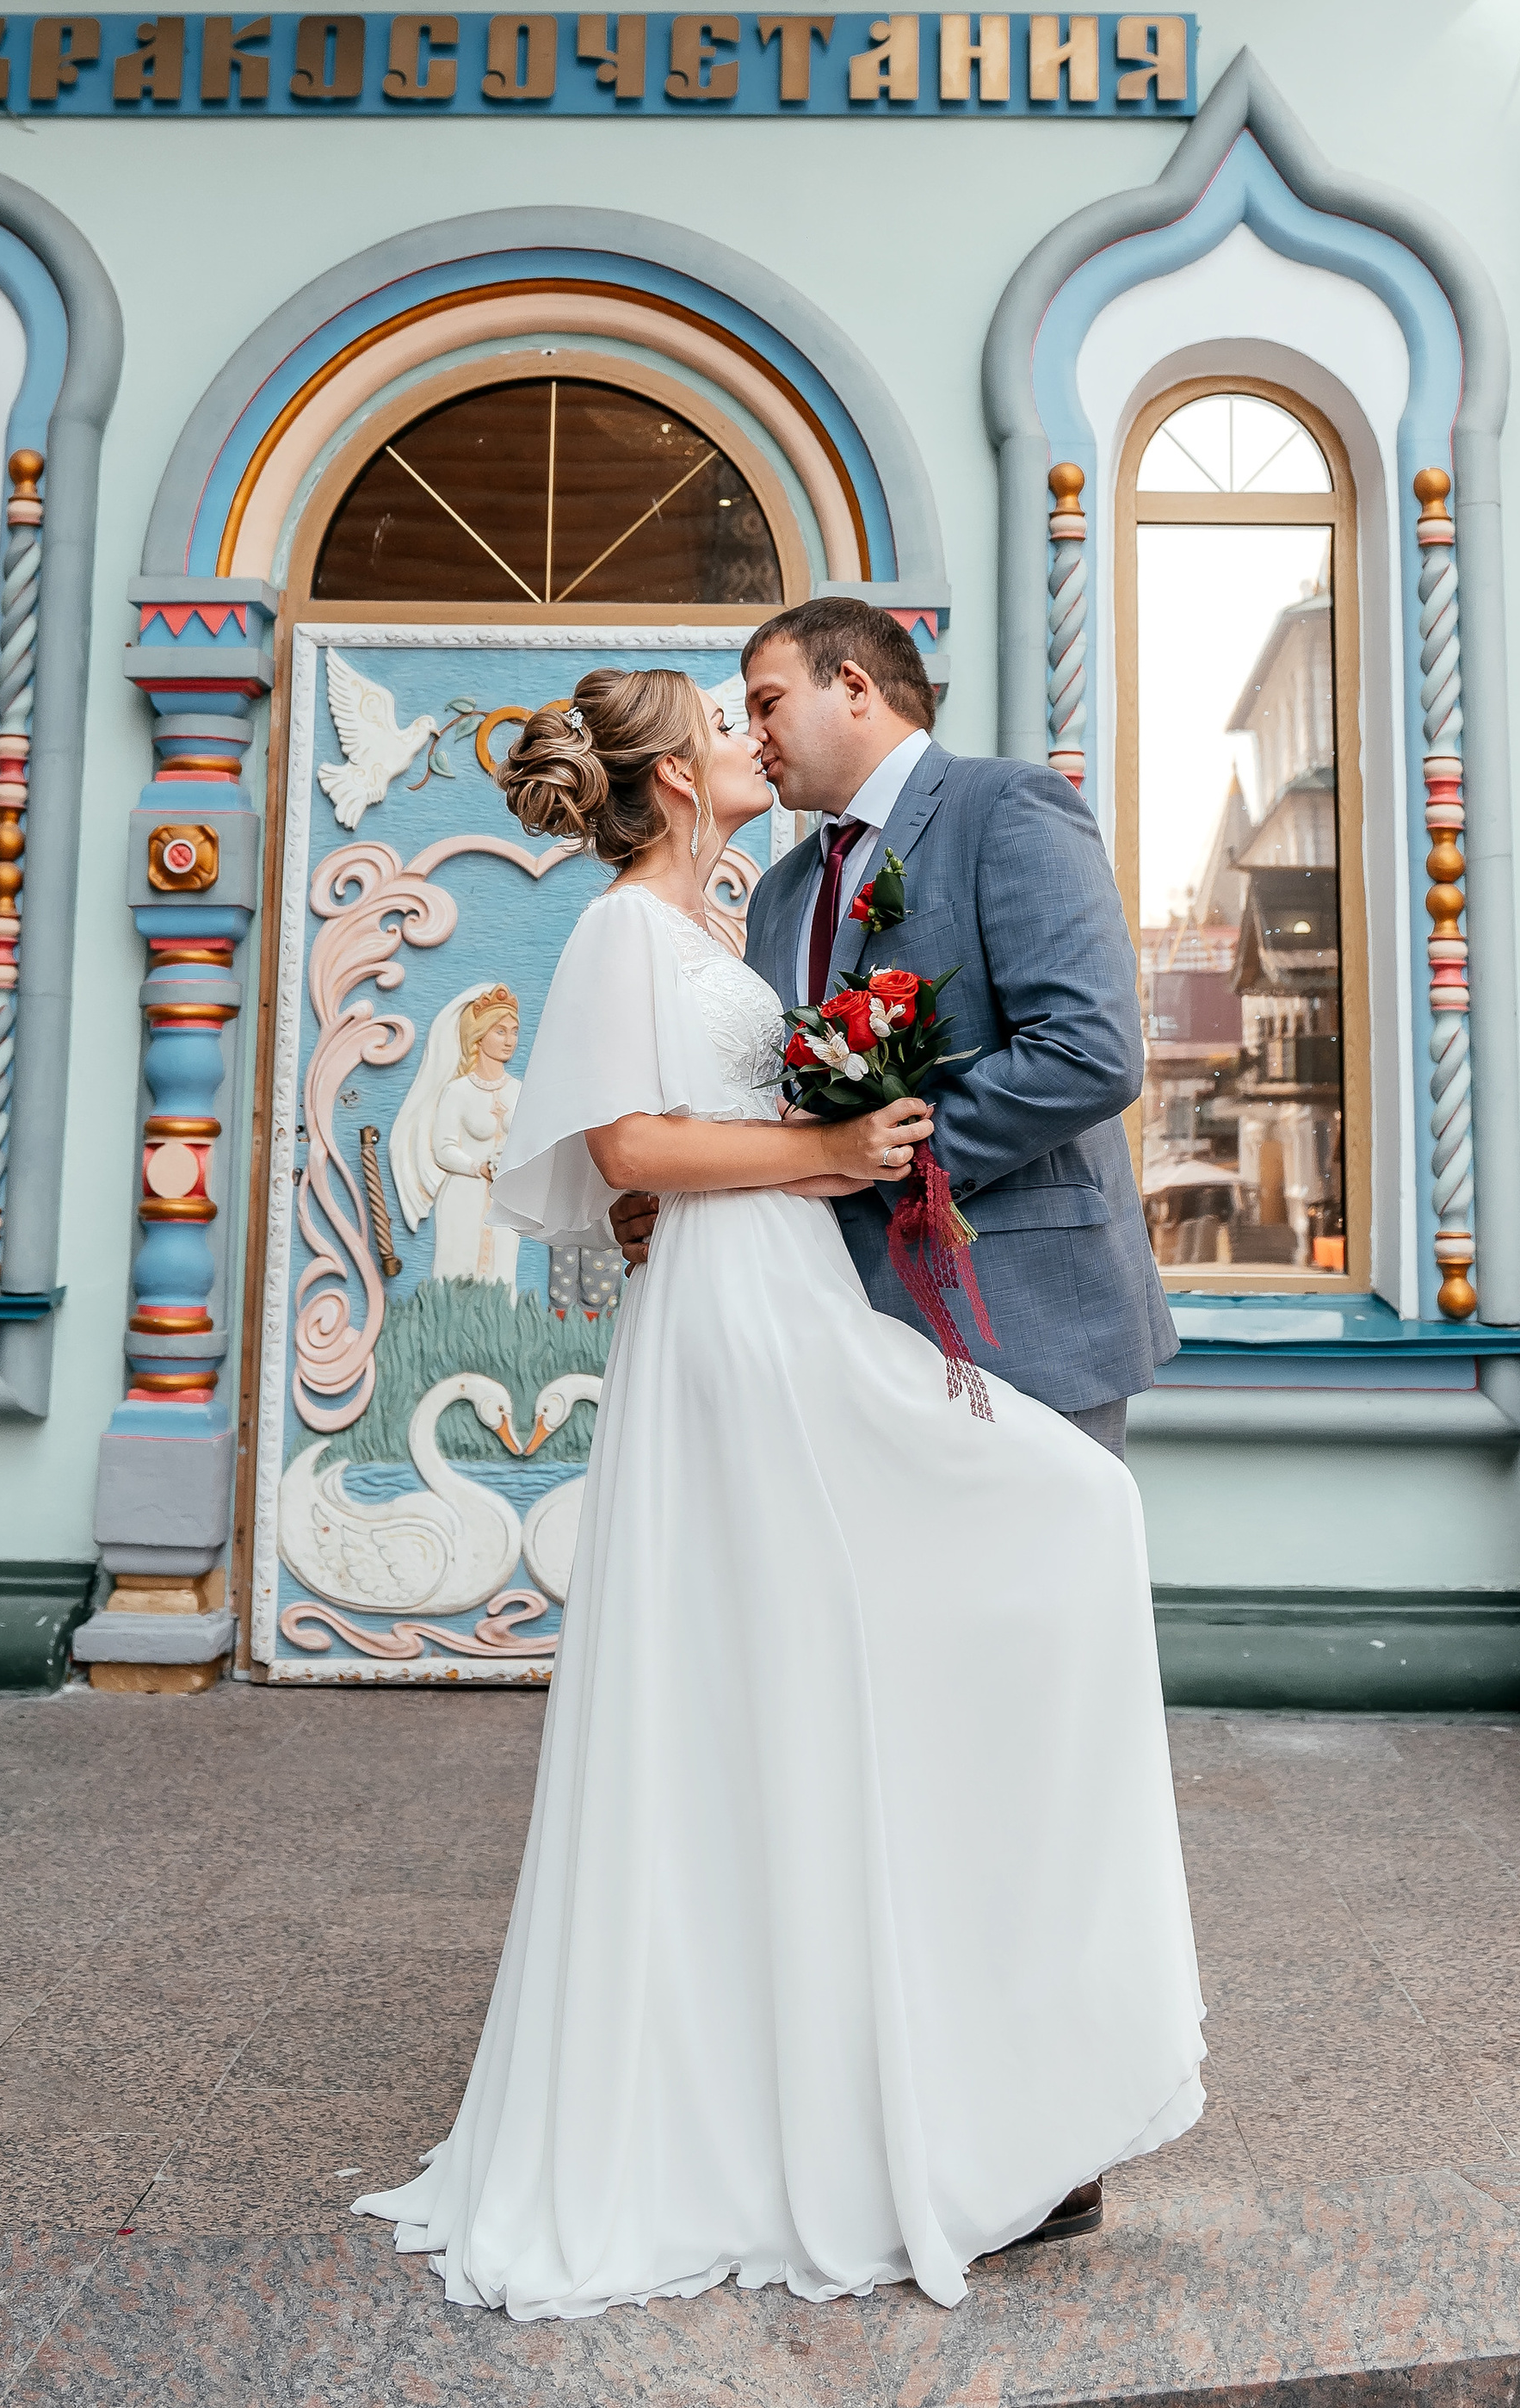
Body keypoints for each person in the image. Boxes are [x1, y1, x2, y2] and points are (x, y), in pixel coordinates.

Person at [351, 666, 1204, 2319]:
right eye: (723, 717)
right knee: (1021, 1534)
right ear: (677, 775)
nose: (750, 734)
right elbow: (629, 1148)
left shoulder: (731, 914)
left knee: (897, 1627)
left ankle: (955, 2060)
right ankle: (830, 2098)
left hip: (796, 1294)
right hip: (745, 1325)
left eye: (765, 700)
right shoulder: (627, 926)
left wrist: (821, 1146)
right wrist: (827, 1153)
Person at [610, 599, 1181, 1468]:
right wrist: (688, 1195)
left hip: (1020, 1313)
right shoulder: (781, 890)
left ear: (853, 685)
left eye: (766, 702)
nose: (754, 734)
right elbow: (780, 1100)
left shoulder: (1007, 804)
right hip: (835, 1326)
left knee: (1038, 1558)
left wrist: (877, 1156)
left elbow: (1087, 1050)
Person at [389, 982, 522, 1284]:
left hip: (505, 1199)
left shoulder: (518, 1090)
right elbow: (443, 1148)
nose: (510, 1041)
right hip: (464, 1194)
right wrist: (479, 1167)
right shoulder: (458, 1091)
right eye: (500, 1031)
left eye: (514, 1032)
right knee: (458, 1274)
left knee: (502, 1276)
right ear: (479, 1035)